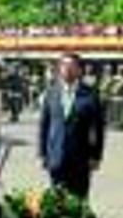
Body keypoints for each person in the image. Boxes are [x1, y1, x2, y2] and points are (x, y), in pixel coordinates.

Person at [38, 52, 105, 200]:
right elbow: (44, 125)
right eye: (64, 65)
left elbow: (98, 129)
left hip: (81, 158)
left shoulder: (91, 94)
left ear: (79, 70)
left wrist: (96, 156)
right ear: (59, 69)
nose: (67, 69)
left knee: (79, 200)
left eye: (72, 66)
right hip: (56, 156)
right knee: (57, 201)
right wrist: (42, 153)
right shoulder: (51, 92)